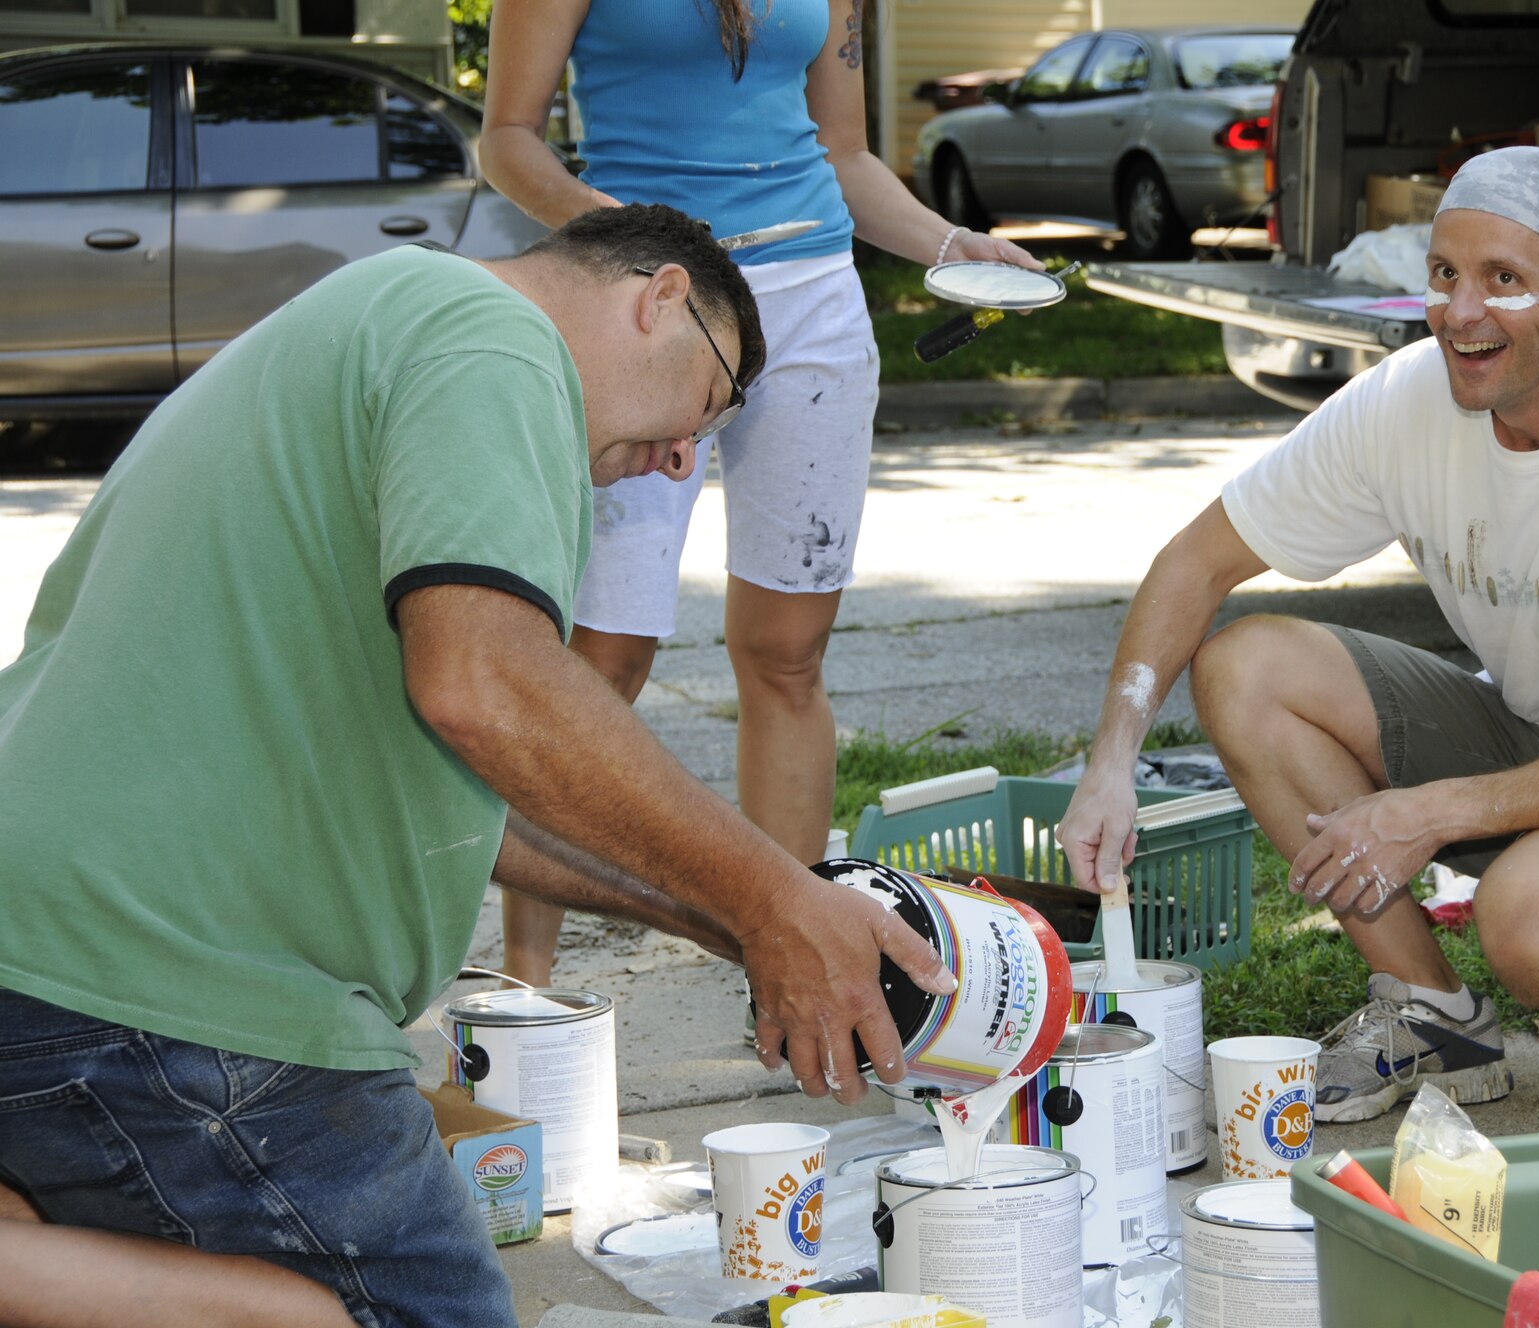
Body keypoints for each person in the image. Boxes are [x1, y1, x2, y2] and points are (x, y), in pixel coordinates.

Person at [0, 203, 952, 1328]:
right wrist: (769, 886)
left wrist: (731, 916)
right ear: (656, 297)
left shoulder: (383, 324)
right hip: (174, 1000)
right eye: (711, 398)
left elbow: (470, 807)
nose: (683, 457)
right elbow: (487, 685)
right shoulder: (492, 337)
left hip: (56, 963)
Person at [1057, 147, 1539, 1124]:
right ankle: (1432, 1015)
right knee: (1243, 666)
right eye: (1443, 275)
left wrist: (1427, 814)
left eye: (1503, 280)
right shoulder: (1407, 400)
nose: (1461, 313)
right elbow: (1193, 562)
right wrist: (1110, 760)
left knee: (1529, 927)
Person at [479, 0, 1041, 988]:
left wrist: (952, 246)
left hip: (810, 295)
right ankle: (527, 996)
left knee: (785, 656)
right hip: (646, 302)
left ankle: (791, 969)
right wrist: (624, 250)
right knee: (597, 659)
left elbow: (846, 156)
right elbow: (508, 141)